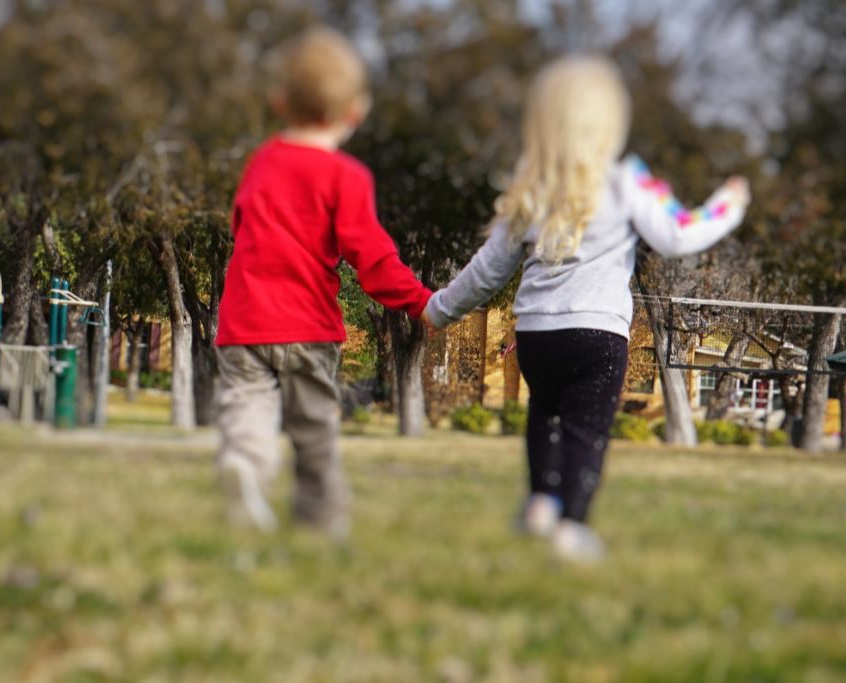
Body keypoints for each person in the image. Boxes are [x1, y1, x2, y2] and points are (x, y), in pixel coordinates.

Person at [423, 56, 751, 563]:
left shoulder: (531, 185)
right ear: (611, 122)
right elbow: (678, 234)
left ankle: (538, 501)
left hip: (535, 335)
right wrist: (727, 206)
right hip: (598, 334)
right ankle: (571, 524)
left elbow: (489, 269)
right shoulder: (626, 180)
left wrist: (439, 309)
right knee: (585, 428)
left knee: (544, 411)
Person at [214, 26, 433, 538]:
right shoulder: (347, 176)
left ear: (279, 100)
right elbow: (372, 257)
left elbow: (239, 225)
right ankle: (321, 520)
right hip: (308, 328)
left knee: (248, 404)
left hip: (245, 324)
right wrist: (418, 300)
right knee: (314, 432)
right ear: (355, 110)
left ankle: (246, 462)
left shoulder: (262, 161)